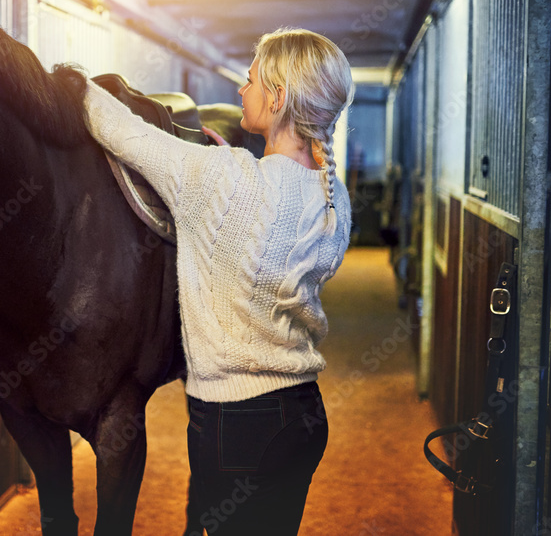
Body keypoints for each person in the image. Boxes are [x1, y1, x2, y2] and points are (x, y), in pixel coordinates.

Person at [83, 27, 354, 535]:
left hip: (236, 425)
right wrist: (227, 163)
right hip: (302, 415)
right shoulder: (333, 194)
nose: (240, 91)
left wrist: (69, 78)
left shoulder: (216, 177)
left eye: (250, 81)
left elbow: (113, 125)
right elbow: (267, 217)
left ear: (277, 98)